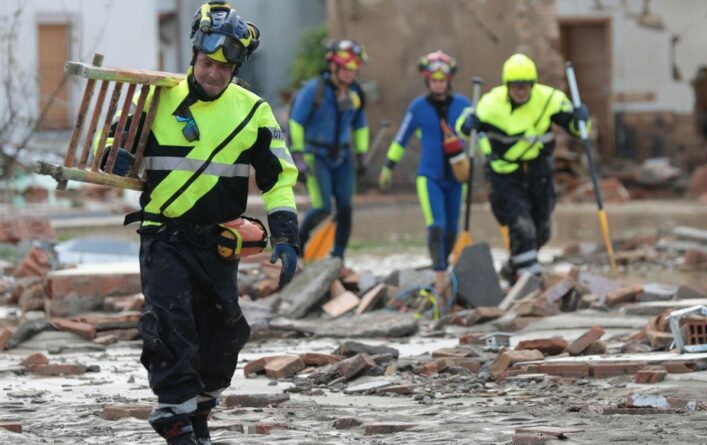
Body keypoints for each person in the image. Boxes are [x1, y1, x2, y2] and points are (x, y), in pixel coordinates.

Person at [102, 2, 299, 444]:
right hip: (163, 236)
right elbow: (109, 140)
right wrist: (113, 153)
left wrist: (286, 236)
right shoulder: (156, 97)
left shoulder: (253, 113)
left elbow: (280, 180)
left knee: (225, 333)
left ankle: (198, 413)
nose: (213, 74)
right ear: (194, 55)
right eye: (207, 63)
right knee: (170, 326)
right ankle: (175, 418)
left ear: (236, 69)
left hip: (217, 244)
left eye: (224, 68)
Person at [458, 53, 589, 282]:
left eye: (526, 86)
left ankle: (512, 267)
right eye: (517, 87)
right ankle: (531, 280)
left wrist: (580, 119)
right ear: (507, 86)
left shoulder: (549, 99)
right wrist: (468, 123)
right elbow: (463, 128)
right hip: (505, 175)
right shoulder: (491, 104)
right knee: (522, 227)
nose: (521, 92)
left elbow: (577, 129)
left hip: (539, 172)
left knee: (543, 231)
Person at [378, 50, 470, 297]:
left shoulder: (464, 105)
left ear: (448, 80)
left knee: (452, 228)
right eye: (434, 80)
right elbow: (402, 138)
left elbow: (479, 135)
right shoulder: (418, 107)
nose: (438, 84)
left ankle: (445, 267)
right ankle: (438, 273)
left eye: (442, 80)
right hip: (429, 177)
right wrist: (388, 165)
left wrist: (490, 158)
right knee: (437, 225)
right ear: (427, 81)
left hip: (457, 178)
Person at [289, 39, 368, 260]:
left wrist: (361, 155)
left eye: (354, 69)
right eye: (346, 69)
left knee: (345, 208)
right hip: (316, 156)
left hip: (342, 157)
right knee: (322, 206)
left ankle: (338, 256)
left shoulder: (356, 93)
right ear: (334, 66)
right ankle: (300, 243)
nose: (350, 74)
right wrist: (298, 155)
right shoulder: (315, 90)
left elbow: (360, 125)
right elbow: (296, 122)